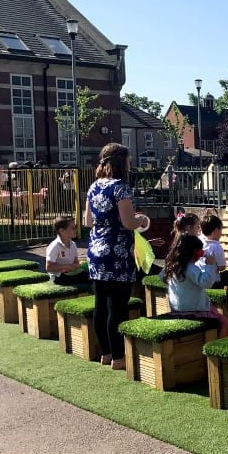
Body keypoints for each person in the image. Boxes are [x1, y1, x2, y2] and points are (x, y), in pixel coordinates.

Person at [84, 143, 150, 370]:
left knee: (100, 304)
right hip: (117, 253)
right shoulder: (121, 188)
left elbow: (87, 222)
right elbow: (128, 222)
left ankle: (106, 353)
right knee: (117, 307)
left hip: (95, 252)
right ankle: (119, 358)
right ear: (121, 162)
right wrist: (140, 220)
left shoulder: (94, 186)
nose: (131, 165)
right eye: (129, 161)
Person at [160, 231, 226, 334]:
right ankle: (215, 346)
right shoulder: (191, 268)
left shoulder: (171, 267)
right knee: (222, 321)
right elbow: (207, 283)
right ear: (195, 252)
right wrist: (209, 265)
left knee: (213, 310)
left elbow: (161, 277)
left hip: (177, 310)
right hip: (196, 311)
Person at [45, 215, 84, 286]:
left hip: (70, 273)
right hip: (58, 277)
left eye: (75, 227)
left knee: (91, 274)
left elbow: (75, 262)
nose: (75, 230)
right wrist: (68, 266)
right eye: (72, 228)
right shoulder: (55, 246)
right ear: (62, 231)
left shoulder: (73, 244)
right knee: (86, 278)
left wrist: (79, 265)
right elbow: (49, 267)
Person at [200, 213, 228, 288]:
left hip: (199, 277)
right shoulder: (216, 247)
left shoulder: (200, 241)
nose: (221, 233)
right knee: (227, 274)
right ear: (216, 230)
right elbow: (221, 267)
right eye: (221, 229)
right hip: (212, 281)